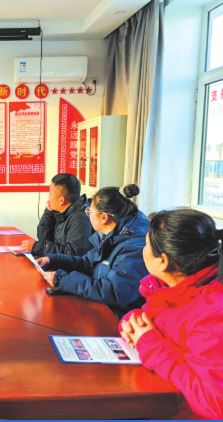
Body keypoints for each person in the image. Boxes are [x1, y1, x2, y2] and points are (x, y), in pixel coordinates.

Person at [119, 209, 223, 419]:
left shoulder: (212, 315)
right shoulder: (174, 286)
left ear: (163, 261)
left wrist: (149, 345)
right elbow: (158, 321)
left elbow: (216, 403)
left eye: (146, 244)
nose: (142, 249)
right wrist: (132, 322)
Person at [37, 184, 149, 317]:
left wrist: (63, 280)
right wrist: (53, 260)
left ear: (104, 218)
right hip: (101, 308)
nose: (88, 215)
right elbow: (87, 263)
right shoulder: (111, 234)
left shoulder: (133, 247)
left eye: (90, 211)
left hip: (119, 319)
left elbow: (114, 292)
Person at [21, 173, 93, 257]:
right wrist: (48, 212)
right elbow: (44, 238)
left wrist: (37, 247)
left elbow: (73, 254)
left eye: (50, 194)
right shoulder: (60, 211)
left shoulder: (80, 218)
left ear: (61, 200)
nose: (49, 198)